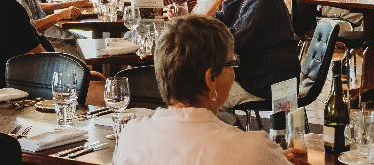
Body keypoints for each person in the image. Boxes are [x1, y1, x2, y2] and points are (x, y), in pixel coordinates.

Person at [113, 15, 308, 165]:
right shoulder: (252, 148)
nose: (234, 73)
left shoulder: (131, 136)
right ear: (211, 79)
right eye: (231, 63)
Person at [214, 0, 299, 110]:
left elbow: (234, 41)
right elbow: (220, 20)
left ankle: (230, 133)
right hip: (253, 75)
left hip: (267, 82)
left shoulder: (265, 1)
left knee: (202, 97)